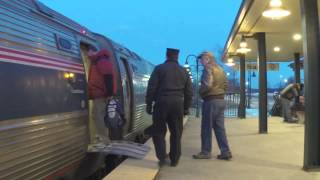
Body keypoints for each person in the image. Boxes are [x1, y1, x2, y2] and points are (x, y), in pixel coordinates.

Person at [146, 48, 193, 167]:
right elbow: (189, 92)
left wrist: (149, 104)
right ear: (177, 57)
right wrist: (186, 108)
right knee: (176, 132)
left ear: (166, 55)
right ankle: (174, 159)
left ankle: (162, 157)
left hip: (161, 102)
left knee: (159, 131)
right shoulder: (184, 71)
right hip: (177, 104)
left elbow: (151, 88)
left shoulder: (159, 68)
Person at [193, 51, 232, 160]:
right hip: (220, 100)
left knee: (206, 128)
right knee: (220, 128)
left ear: (208, 59)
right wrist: (220, 92)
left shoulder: (208, 68)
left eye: (202, 59)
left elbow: (207, 85)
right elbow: (225, 85)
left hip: (210, 101)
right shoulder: (220, 69)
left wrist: (201, 92)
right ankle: (225, 152)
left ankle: (206, 152)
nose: (201, 62)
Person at [88, 45, 117, 145]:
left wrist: (109, 94)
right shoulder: (97, 61)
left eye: (89, 52)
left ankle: (104, 139)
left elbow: (108, 77)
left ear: (93, 51)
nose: (88, 54)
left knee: (98, 116)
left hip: (101, 94)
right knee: (97, 115)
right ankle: (102, 137)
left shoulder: (102, 60)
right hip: (99, 94)